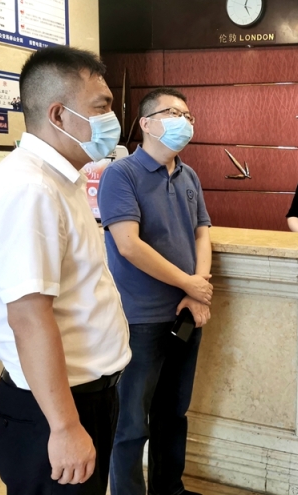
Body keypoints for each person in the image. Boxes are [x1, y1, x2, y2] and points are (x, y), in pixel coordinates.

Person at [0, 46, 131, 494]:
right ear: (59, 115)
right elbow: (29, 317)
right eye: (101, 107)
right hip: (53, 409)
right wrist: (64, 427)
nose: (112, 119)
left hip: (81, 397)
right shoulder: (30, 189)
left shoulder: (62, 179)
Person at [98, 87, 212, 495]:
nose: (185, 122)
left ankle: (169, 490)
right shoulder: (121, 174)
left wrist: (197, 290)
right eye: (174, 113)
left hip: (184, 313)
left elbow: (202, 233)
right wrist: (188, 283)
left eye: (188, 116)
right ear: (146, 123)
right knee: (131, 422)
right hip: (141, 317)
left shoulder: (188, 175)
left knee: (173, 414)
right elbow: (128, 244)